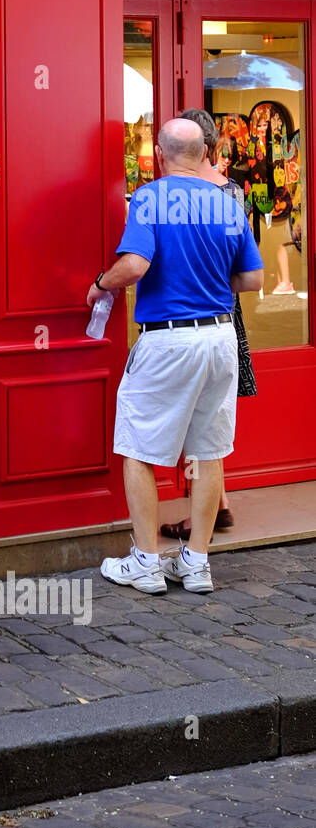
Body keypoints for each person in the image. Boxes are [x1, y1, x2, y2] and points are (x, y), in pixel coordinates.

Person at [91, 119, 263, 596]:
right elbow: (252, 281)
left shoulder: (151, 197)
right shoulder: (229, 202)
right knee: (209, 451)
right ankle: (197, 563)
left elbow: (136, 265)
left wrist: (99, 284)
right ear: (205, 152)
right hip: (220, 337)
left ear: (161, 155)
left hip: (169, 340)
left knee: (140, 446)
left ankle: (145, 562)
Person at [159, 109, 257, 543]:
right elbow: (245, 264)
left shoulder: (188, 193)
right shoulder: (231, 191)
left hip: (200, 313)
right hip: (223, 313)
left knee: (203, 424)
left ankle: (212, 511)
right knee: (212, 422)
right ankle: (219, 506)